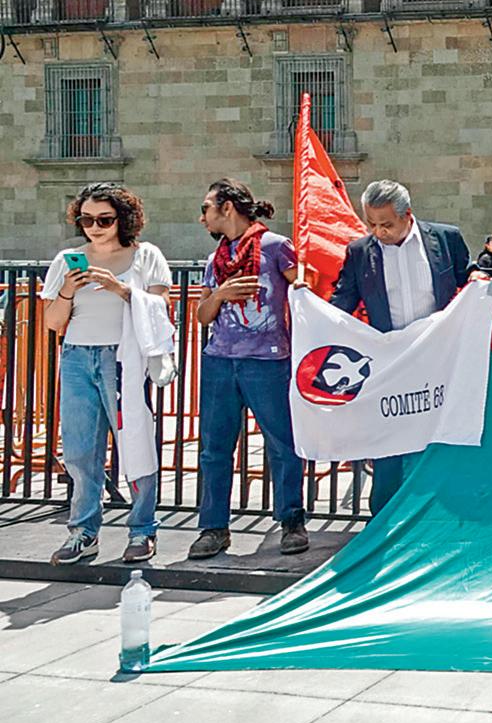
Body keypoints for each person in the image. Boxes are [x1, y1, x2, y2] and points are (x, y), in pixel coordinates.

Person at [40, 183, 170, 565]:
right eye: (86, 220)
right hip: (78, 356)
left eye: (104, 219)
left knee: (135, 442)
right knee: (79, 449)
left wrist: (121, 289)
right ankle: (83, 531)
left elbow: (162, 306)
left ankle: (142, 529)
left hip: (123, 356)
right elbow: (52, 322)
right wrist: (67, 289)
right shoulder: (67, 260)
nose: (94, 227)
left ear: (122, 219)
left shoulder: (145, 255)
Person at [330, 180, 476, 512]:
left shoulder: (446, 239)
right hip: (390, 364)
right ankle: (383, 521)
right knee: (389, 445)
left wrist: (478, 276)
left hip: (438, 358)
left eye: (386, 224)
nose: (378, 232)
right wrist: (310, 311)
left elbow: (468, 276)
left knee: (439, 441)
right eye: (371, 224)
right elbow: (342, 302)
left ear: (407, 214)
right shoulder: (359, 252)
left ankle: (437, 517)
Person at [187, 179, 308, 561]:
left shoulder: (275, 247)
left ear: (227, 208)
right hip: (220, 361)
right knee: (214, 449)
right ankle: (214, 527)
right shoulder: (216, 259)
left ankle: (291, 520)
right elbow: (203, 315)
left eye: (206, 208)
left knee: (282, 443)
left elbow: (304, 288)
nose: (202, 217)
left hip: (268, 360)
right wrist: (222, 294)